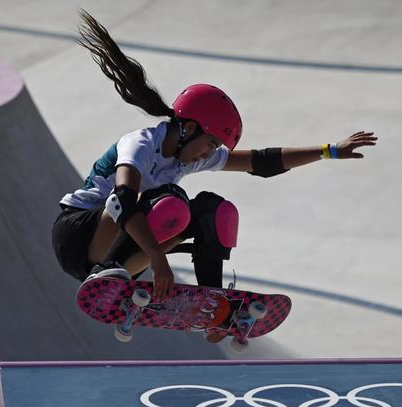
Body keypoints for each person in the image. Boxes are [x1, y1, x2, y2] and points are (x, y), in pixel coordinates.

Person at [52, 10, 377, 302]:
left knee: (214, 212)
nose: (211, 153)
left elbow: (262, 161)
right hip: (78, 236)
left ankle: (212, 303)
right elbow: (121, 199)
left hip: (116, 248)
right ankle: (108, 274)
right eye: (210, 143)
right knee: (169, 201)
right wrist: (157, 258)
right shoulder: (140, 143)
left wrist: (328, 150)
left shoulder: (191, 154)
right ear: (189, 128)